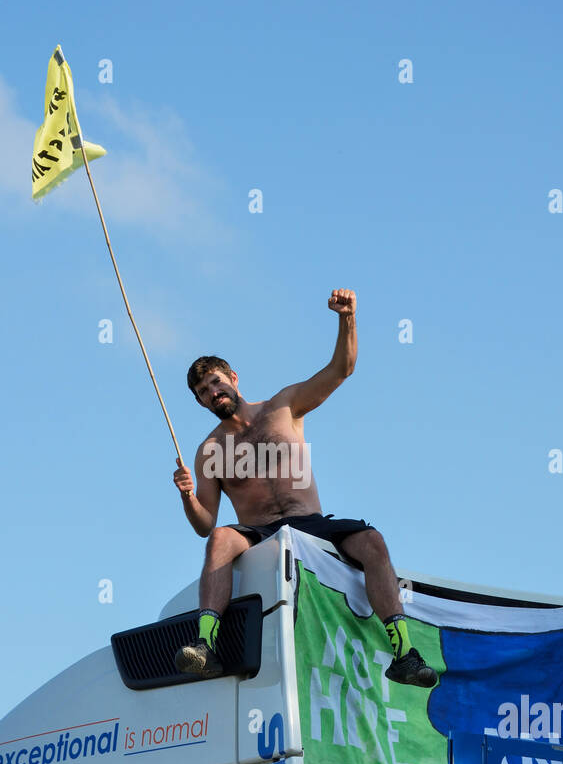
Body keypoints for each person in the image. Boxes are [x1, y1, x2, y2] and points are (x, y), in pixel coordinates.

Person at [172, 289, 437, 688]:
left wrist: (347, 318)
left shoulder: (283, 406)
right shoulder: (210, 449)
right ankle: (205, 646)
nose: (212, 393)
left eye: (215, 382)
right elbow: (205, 523)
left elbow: (340, 370)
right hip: (259, 533)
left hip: (310, 521)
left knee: (373, 542)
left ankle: (404, 653)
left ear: (233, 378)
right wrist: (188, 495)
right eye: (203, 393)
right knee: (221, 539)